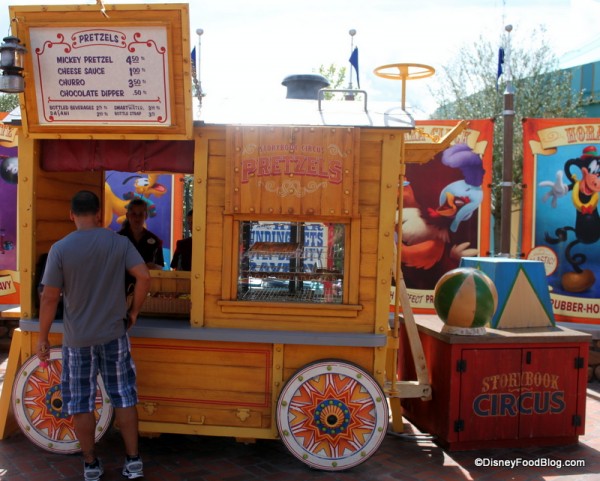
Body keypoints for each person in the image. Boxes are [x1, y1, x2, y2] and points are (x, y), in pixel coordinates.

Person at [36, 191, 151, 481]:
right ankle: (134, 461)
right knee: (124, 396)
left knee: (82, 402)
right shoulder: (118, 242)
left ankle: (90, 464)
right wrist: (133, 312)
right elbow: (144, 276)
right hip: (114, 334)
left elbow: (49, 297)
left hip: (78, 340)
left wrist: (43, 337)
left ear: (71, 215)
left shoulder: (60, 249)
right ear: (99, 214)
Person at [118, 198, 165, 270]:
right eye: (134, 214)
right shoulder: (117, 238)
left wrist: (153, 267)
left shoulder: (155, 241)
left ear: (146, 216)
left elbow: (159, 267)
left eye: (140, 214)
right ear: (127, 215)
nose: (137, 218)